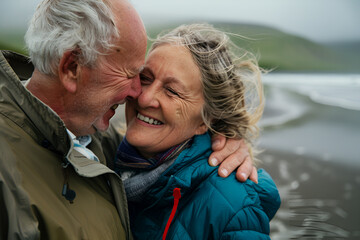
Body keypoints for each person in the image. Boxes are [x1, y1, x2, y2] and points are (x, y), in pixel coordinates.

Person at [0, 0, 256, 239]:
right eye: (138, 76)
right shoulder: (11, 175)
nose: (140, 96)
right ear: (72, 68)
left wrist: (228, 140)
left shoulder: (97, 142)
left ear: (206, 119)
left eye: (172, 91)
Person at [114, 23, 281, 239]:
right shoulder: (103, 156)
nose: (144, 98)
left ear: (206, 119)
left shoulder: (233, 207)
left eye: (172, 91)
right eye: (145, 78)